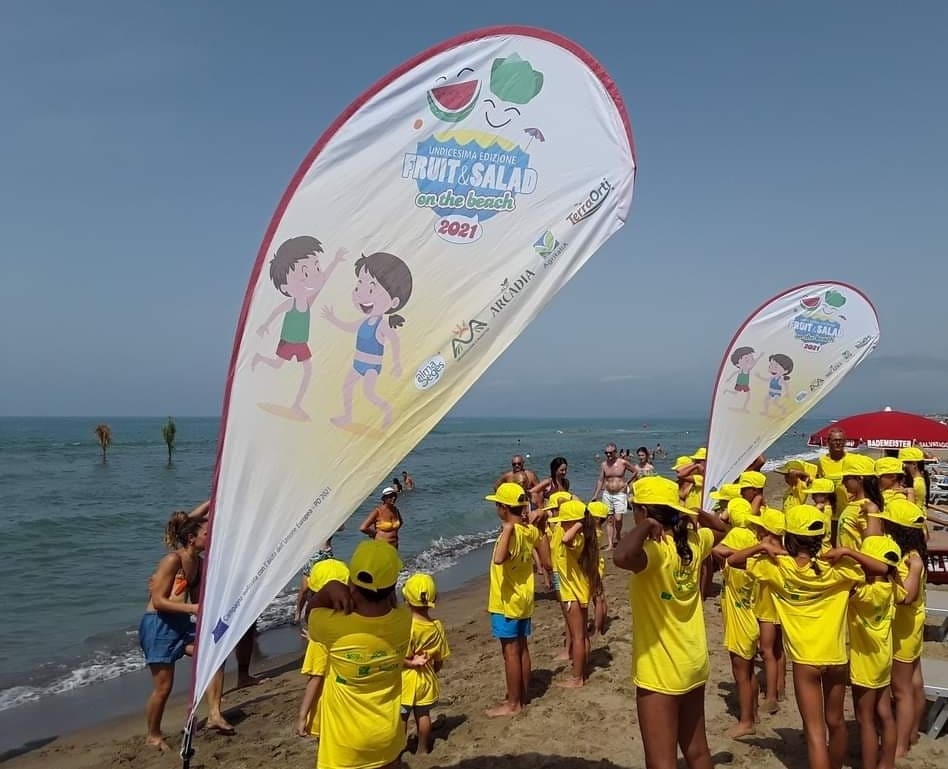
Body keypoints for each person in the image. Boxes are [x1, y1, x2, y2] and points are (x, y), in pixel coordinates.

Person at [728, 505, 884, 769]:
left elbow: (732, 561)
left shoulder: (779, 568)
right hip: (836, 657)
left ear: (790, 538)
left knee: (814, 731)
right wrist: (847, 550)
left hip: (805, 660)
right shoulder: (840, 567)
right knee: (835, 723)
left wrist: (762, 548)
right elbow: (880, 568)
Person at [613, 477, 726, 769]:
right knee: (697, 749)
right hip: (693, 659)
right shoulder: (694, 542)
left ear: (644, 512)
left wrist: (647, 527)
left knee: (661, 761)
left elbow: (622, 555)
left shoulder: (655, 552)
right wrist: (699, 515)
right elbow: (723, 530)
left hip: (661, 668)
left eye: (634, 509)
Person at [306, 540, 411, 769]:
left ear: (350, 582)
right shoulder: (404, 619)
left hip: (345, 743)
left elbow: (310, 615)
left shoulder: (333, 627)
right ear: (392, 586)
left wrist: (327, 591)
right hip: (388, 734)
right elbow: (393, 604)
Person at [140, 513, 231, 751]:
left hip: (181, 624)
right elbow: (158, 601)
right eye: (206, 534)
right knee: (163, 687)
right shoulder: (172, 560)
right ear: (191, 538)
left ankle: (214, 714)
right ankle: (153, 734)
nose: (211, 538)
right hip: (158, 624)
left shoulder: (199, 563)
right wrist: (192, 608)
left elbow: (202, 599)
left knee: (214, 653)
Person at [252, 237, 347, 420]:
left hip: (301, 343)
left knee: (307, 370)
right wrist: (265, 324)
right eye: (304, 274)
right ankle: (260, 358)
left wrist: (335, 261)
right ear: (286, 286)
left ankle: (296, 405)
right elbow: (276, 311)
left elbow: (323, 281)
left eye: (316, 268)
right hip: (288, 341)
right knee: (278, 365)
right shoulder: (292, 302)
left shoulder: (309, 301)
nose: (313, 277)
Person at [484, 482, 551, 717]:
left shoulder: (512, 533)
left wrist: (508, 529)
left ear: (503, 508)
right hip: (523, 598)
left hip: (507, 601)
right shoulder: (529, 531)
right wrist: (540, 527)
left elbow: (500, 559)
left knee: (510, 652)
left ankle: (513, 704)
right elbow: (547, 561)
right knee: (521, 648)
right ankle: (521, 694)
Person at [868, 499, 928, 757]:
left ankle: (901, 744)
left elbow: (907, 597)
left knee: (901, 690)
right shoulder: (913, 551)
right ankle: (912, 732)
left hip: (905, 628)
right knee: (914, 681)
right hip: (912, 626)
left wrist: (893, 577)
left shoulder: (911, 560)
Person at [844, 536, 903, 769]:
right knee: (884, 712)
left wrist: (849, 554)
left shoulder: (866, 593)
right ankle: (886, 763)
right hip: (884, 657)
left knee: (864, 718)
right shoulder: (892, 585)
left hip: (865, 661)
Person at [711, 497, 760, 739]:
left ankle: (746, 720)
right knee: (749, 672)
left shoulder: (736, 568)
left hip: (740, 625)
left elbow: (717, 550)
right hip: (749, 622)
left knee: (741, 674)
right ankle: (754, 712)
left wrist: (733, 549)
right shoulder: (754, 565)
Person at [296, 558, 350, 738]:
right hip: (351, 699)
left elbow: (316, 678)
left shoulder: (319, 633)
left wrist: (302, 715)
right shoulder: (353, 620)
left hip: (329, 704)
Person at [548, 499, 599, 688]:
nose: (560, 523)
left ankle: (577, 678)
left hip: (572, 592)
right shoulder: (586, 535)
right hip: (579, 589)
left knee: (578, 636)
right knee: (582, 635)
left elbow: (566, 539)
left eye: (564, 520)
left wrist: (578, 523)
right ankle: (582, 670)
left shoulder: (577, 538)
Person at [400, 573, 450, 753]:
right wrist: (434, 670)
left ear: (406, 599)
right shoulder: (437, 627)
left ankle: (399, 748)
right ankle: (422, 747)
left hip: (405, 681)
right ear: (433, 598)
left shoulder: (407, 626)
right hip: (426, 679)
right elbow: (439, 658)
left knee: (402, 717)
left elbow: (401, 657)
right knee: (423, 715)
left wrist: (407, 662)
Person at [592, 443, 637, 548]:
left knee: (618, 518)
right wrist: (595, 494)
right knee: (610, 519)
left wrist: (627, 483)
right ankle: (610, 544)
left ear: (615, 452)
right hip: (607, 493)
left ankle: (618, 534)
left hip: (620, 493)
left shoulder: (623, 462)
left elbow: (635, 471)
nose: (608, 455)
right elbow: (600, 480)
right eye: (606, 453)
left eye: (610, 452)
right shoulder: (604, 464)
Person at [295, 527, 343, 626]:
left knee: (324, 585)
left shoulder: (330, 520)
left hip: (327, 555)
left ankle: (319, 610)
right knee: (305, 589)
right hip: (313, 555)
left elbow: (341, 528)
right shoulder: (314, 521)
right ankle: (298, 612)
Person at [837, 454, 883, 551]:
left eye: (846, 478)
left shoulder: (865, 507)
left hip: (854, 565)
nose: (843, 482)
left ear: (859, 479)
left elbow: (873, 541)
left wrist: (872, 513)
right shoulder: (856, 503)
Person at [587, 500, 610, 636]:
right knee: (600, 597)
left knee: (597, 599)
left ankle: (597, 628)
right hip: (598, 564)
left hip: (594, 566)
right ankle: (601, 624)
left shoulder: (593, 533)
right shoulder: (598, 530)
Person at [816, 427, 851, 513]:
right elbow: (819, 486)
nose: (838, 443)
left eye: (840, 440)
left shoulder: (851, 460)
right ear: (828, 442)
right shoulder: (822, 461)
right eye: (835, 440)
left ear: (845, 442)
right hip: (829, 509)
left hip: (848, 509)